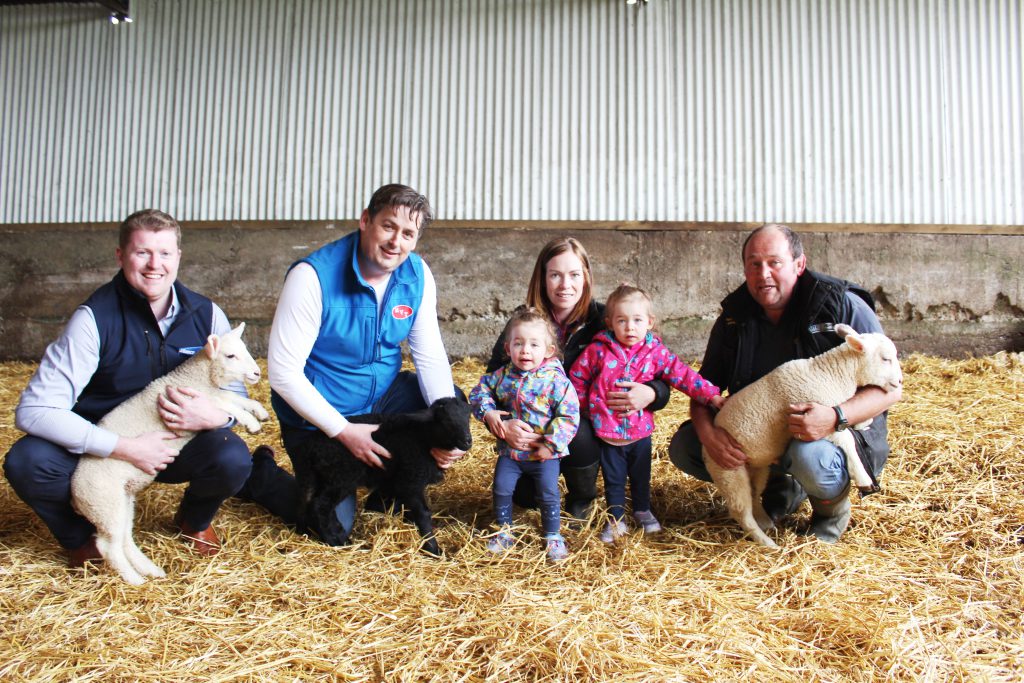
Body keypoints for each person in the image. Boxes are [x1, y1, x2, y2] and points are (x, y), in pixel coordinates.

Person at [4, 209, 252, 567]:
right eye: (142, 253)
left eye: (165, 253)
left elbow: (237, 393)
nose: (155, 265)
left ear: (178, 257)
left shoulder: (207, 314)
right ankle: (82, 538)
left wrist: (217, 415)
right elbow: (33, 411)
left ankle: (193, 521)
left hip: (173, 443)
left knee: (232, 457)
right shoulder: (94, 319)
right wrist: (123, 447)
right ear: (121, 256)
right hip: (100, 447)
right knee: (27, 462)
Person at [242, 184, 467, 540]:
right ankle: (259, 476)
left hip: (382, 399)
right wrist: (343, 431)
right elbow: (283, 374)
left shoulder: (417, 275)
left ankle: (388, 489)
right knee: (329, 524)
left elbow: (429, 354)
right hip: (321, 413)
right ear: (365, 221)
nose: (396, 242)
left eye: (408, 233)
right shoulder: (312, 276)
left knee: (451, 405)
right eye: (388, 226)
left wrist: (446, 428)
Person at [668, 224, 902, 542]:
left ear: (798, 264)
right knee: (687, 446)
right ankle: (783, 487)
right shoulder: (734, 318)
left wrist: (836, 416)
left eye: (774, 262)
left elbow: (891, 388)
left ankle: (830, 514)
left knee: (810, 455)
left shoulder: (841, 305)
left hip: (833, 432)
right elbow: (702, 387)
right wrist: (709, 435)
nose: (763, 273)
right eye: (754, 264)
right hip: (765, 436)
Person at [484, 237, 671, 520]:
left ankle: (582, 496)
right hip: (531, 425)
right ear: (542, 278)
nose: (564, 285)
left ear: (585, 276)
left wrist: (653, 392)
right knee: (527, 500)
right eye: (555, 275)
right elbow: (493, 378)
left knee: (580, 433)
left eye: (573, 275)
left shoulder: (606, 320)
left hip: (583, 423)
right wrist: (500, 422)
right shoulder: (525, 322)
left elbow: (661, 370)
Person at [569, 285, 725, 543]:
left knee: (641, 474)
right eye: (622, 320)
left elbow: (683, 375)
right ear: (610, 323)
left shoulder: (655, 352)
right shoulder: (598, 351)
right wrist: (589, 408)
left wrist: (711, 395)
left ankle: (643, 510)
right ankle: (616, 518)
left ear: (649, 322)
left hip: (640, 432)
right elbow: (577, 378)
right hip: (607, 433)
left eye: (637, 320)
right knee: (614, 479)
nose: (630, 327)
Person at [470, 307, 580, 562]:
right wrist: (488, 413)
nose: (525, 351)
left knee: (548, 492)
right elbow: (479, 391)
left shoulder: (556, 381)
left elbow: (569, 415)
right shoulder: (503, 376)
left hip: (542, 454)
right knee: (501, 487)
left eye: (533, 344)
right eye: (518, 344)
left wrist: (551, 446)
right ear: (507, 349)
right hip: (511, 453)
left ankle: (553, 535)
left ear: (548, 350)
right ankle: (504, 530)